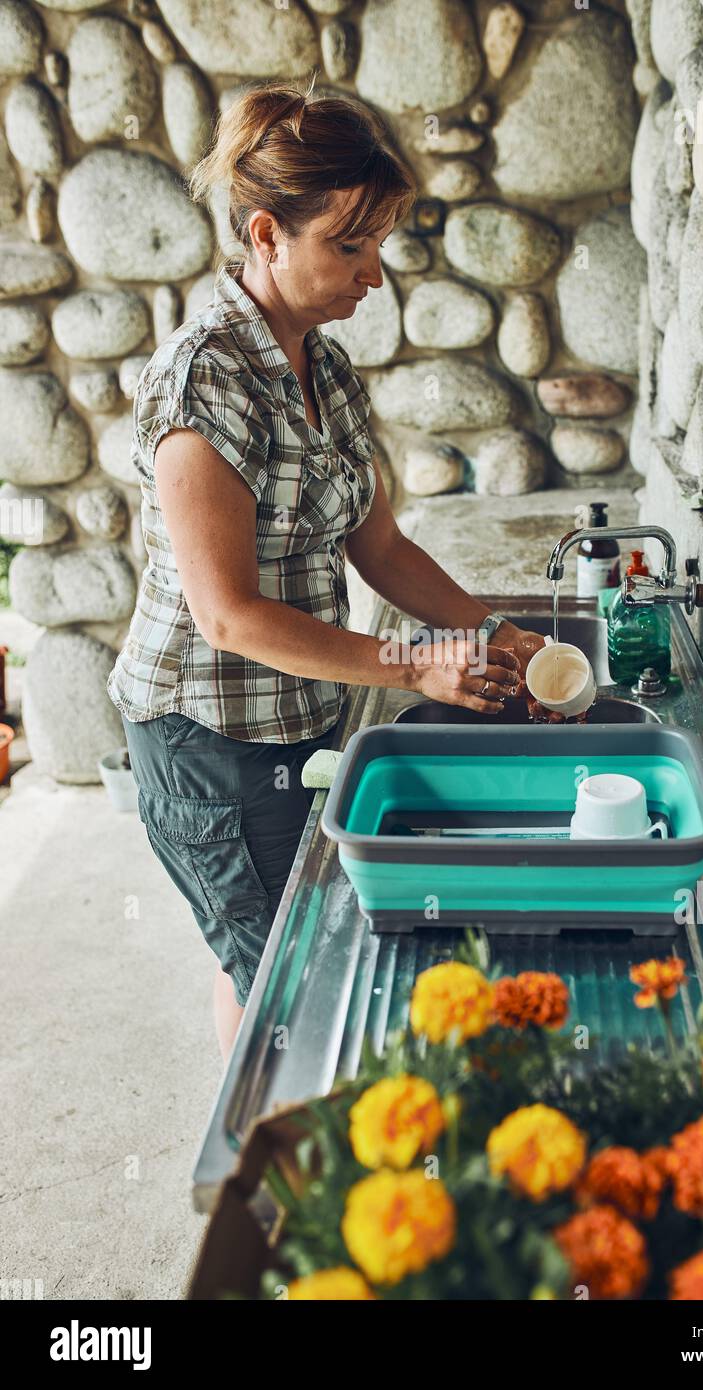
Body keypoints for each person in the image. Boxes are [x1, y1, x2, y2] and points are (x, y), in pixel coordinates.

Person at [107, 79, 549, 1063]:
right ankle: (273, 1196)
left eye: (378, 245)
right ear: (266, 236)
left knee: (271, 967)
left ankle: (262, 1180)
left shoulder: (320, 364)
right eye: (348, 246)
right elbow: (226, 616)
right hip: (209, 745)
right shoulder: (201, 377)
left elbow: (379, 545)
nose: (373, 276)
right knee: (297, 992)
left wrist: (490, 630)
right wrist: (412, 666)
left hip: (296, 721)